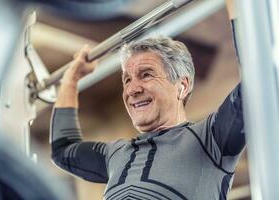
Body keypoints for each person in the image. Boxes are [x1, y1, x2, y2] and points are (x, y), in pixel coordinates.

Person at [50, 1, 245, 199]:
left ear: (182, 86)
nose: (132, 89)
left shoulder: (209, 139)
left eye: (146, 75)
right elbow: (64, 150)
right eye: (127, 80)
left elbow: (257, 78)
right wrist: (71, 80)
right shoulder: (115, 154)